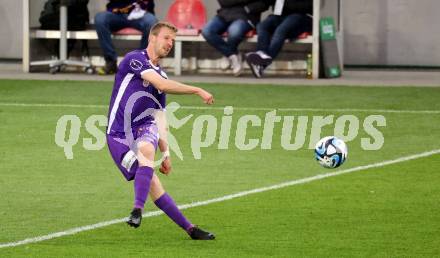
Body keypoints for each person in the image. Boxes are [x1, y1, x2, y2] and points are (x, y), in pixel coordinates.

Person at [106, 21, 215, 240]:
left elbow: (159, 116)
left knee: (147, 148)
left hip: (143, 128)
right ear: (152, 38)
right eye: (166, 38)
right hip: (118, 135)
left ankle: (137, 210)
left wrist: (166, 152)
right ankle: (190, 229)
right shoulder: (134, 60)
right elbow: (162, 85)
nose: (170, 43)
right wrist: (197, 90)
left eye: (173, 40)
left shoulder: (161, 76)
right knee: (153, 184)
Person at [245, 0, 313, 78]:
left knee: (280, 30)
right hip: (280, 17)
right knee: (262, 26)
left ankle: (260, 64)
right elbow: (265, 3)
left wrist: (285, 4)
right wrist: (249, 8)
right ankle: (261, 55)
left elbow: (310, 6)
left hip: (300, 17)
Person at [201, 0, 270, 76]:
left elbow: (264, 3)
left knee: (234, 32)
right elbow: (223, 2)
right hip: (225, 14)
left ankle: (229, 54)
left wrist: (248, 8)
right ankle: (232, 55)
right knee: (207, 31)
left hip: (246, 15)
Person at [95, 0, 158, 75]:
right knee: (100, 19)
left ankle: (142, 62)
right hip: (116, 13)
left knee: (152, 22)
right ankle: (110, 61)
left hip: (140, 12)